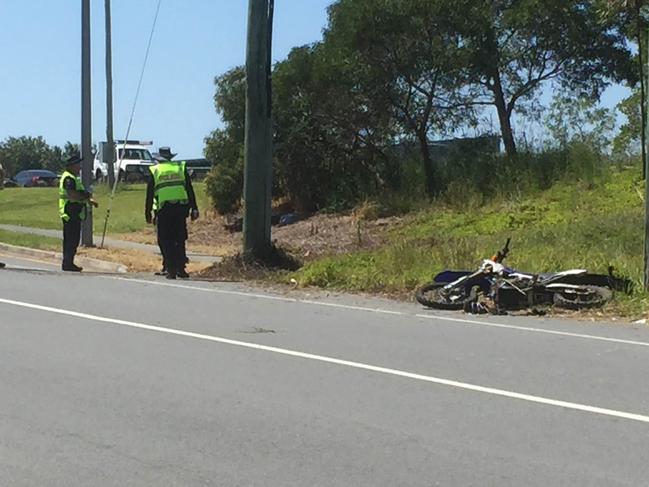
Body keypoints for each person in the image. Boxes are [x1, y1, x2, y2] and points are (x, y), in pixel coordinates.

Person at [145, 147, 199, 279]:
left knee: (166, 239)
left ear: (158, 158)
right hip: (181, 208)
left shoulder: (155, 170)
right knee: (179, 238)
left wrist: (148, 212)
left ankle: (171, 269)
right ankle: (181, 268)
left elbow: (150, 193)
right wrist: (194, 208)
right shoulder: (180, 168)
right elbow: (189, 188)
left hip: (164, 209)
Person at [59, 155, 98, 271]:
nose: (79, 167)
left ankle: (69, 262)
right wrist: (86, 196)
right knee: (70, 239)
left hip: (74, 212)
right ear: (71, 166)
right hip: (69, 212)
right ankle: (67, 263)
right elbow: (72, 194)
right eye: (77, 165)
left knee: (74, 239)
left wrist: (89, 200)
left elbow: (78, 194)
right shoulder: (68, 178)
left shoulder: (73, 178)